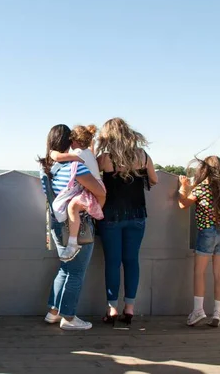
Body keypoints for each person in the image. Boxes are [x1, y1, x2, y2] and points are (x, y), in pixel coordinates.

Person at [39, 124, 106, 331]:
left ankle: (53, 312)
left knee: (66, 268)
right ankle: (68, 317)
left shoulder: (46, 168)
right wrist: (100, 202)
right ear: (69, 141)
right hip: (79, 225)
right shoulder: (76, 167)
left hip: (58, 225)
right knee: (76, 272)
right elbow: (99, 190)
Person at [96, 118, 158, 326]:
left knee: (112, 263)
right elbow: (154, 180)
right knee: (132, 261)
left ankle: (112, 309)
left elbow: (94, 180)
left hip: (111, 215)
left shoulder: (104, 158)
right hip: (137, 214)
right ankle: (129, 308)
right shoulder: (143, 155)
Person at [178, 156, 220, 327]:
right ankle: (217, 313)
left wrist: (184, 187)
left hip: (206, 232)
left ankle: (198, 311)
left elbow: (182, 204)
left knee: (199, 272)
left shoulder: (201, 188)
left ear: (205, 169)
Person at [49, 125, 105, 261]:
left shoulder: (79, 153)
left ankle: (73, 242)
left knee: (72, 207)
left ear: (75, 141)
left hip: (92, 187)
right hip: (94, 186)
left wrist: (52, 153)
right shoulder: (88, 153)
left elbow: (59, 157)